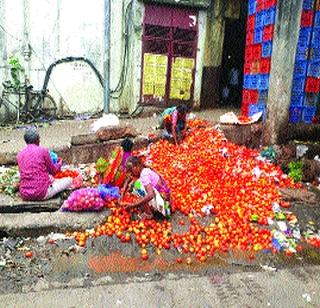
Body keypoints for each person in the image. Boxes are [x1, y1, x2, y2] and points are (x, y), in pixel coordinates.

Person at [17, 127, 72, 201]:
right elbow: (53, 171)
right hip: (42, 193)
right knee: (69, 180)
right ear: (37, 140)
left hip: (25, 194)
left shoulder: (20, 154)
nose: (39, 140)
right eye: (39, 138)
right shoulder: (43, 151)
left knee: (49, 178)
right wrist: (60, 163)